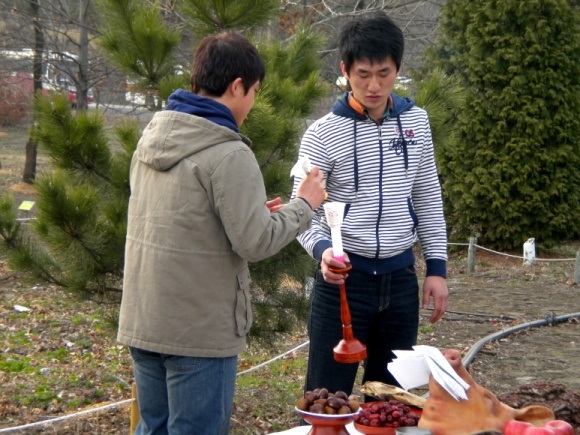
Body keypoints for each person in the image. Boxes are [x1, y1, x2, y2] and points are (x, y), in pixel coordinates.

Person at [117, 32, 326, 435]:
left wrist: (251, 216)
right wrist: (305, 204)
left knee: (152, 428)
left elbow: (179, 221)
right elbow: (256, 243)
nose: (252, 103)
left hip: (145, 321)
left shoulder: (150, 141)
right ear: (237, 86)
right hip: (198, 331)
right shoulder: (229, 152)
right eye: (255, 92)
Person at [291, 13, 449, 397]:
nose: (373, 85)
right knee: (327, 399)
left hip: (400, 279)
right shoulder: (322, 134)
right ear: (344, 70)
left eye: (383, 73)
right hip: (344, 283)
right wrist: (324, 252)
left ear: (398, 68)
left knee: (391, 401)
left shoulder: (417, 123)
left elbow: (427, 196)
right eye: (363, 74)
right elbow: (301, 213)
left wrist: (437, 268)